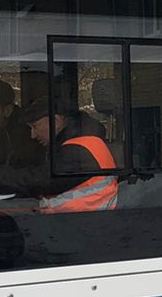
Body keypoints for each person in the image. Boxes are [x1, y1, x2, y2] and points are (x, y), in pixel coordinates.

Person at [16, 84, 119, 213]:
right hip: (83, 217)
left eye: (35, 126)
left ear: (56, 121)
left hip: (83, 222)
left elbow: (38, 182)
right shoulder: (81, 141)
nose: (32, 135)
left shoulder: (77, 150)